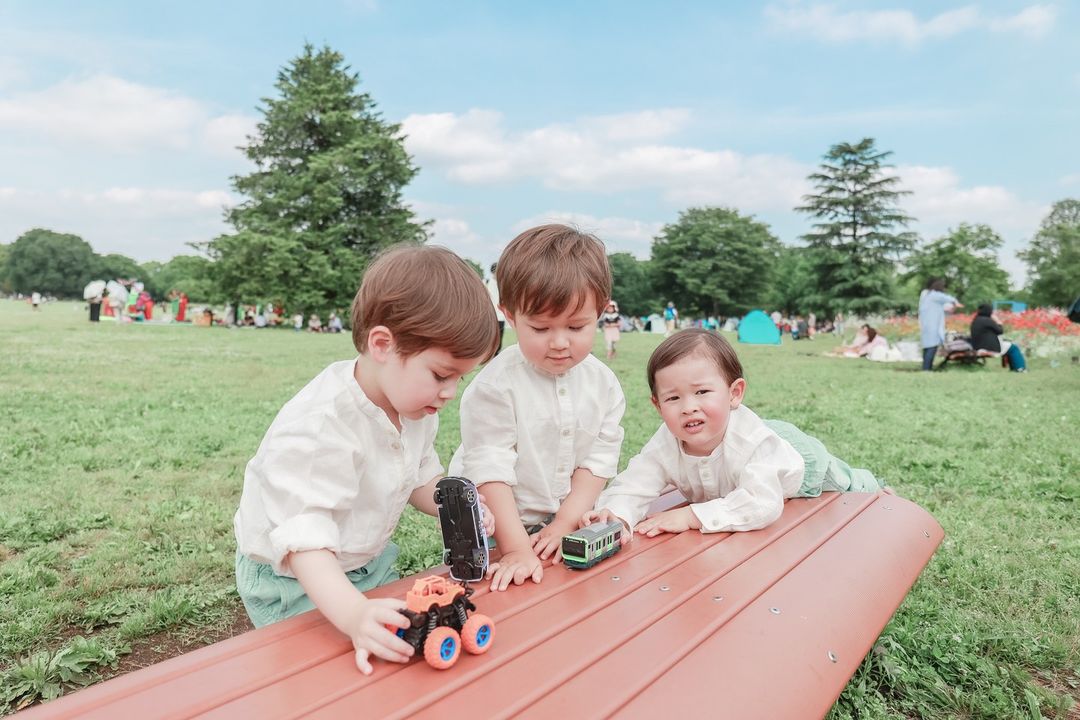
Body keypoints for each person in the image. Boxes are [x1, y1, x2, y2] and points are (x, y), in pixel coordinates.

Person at [233, 245, 500, 674]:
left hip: (366, 563)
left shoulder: (413, 406)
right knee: (322, 677)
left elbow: (417, 478)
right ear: (382, 344)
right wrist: (354, 615)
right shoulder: (321, 425)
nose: (450, 392)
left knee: (393, 659)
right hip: (293, 580)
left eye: (460, 378)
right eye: (440, 375)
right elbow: (305, 541)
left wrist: (455, 505)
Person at [449, 224, 626, 592]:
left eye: (577, 326)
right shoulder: (495, 387)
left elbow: (597, 463)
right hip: (501, 523)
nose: (560, 343)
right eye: (541, 328)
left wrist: (564, 523)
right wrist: (514, 549)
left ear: (601, 311)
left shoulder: (604, 384)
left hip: (569, 513)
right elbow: (489, 470)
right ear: (510, 316)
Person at [584, 330, 884, 541]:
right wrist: (618, 516)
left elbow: (762, 503)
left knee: (842, 479)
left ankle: (876, 486)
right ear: (657, 405)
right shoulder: (664, 444)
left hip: (796, 460)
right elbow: (635, 483)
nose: (689, 407)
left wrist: (691, 516)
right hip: (740, 439)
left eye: (702, 392)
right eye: (673, 398)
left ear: (734, 393)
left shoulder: (754, 443)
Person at [918, 278, 962, 371]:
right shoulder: (935, 295)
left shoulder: (926, 294)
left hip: (926, 325)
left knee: (927, 347)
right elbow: (949, 299)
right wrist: (956, 303)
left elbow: (946, 307)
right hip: (933, 327)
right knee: (931, 348)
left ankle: (926, 367)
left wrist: (952, 306)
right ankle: (927, 369)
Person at [971, 304, 1027, 372]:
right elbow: (1000, 331)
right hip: (989, 348)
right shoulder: (987, 320)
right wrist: (998, 321)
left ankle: (1014, 368)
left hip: (978, 346)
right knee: (1013, 347)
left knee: (1008, 345)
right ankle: (1020, 368)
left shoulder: (975, 320)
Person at [487, 262, 506, 355]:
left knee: (500, 337)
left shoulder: (501, 283)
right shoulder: (488, 283)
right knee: (492, 337)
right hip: (492, 315)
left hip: (501, 315)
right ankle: (491, 354)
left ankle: (496, 354)